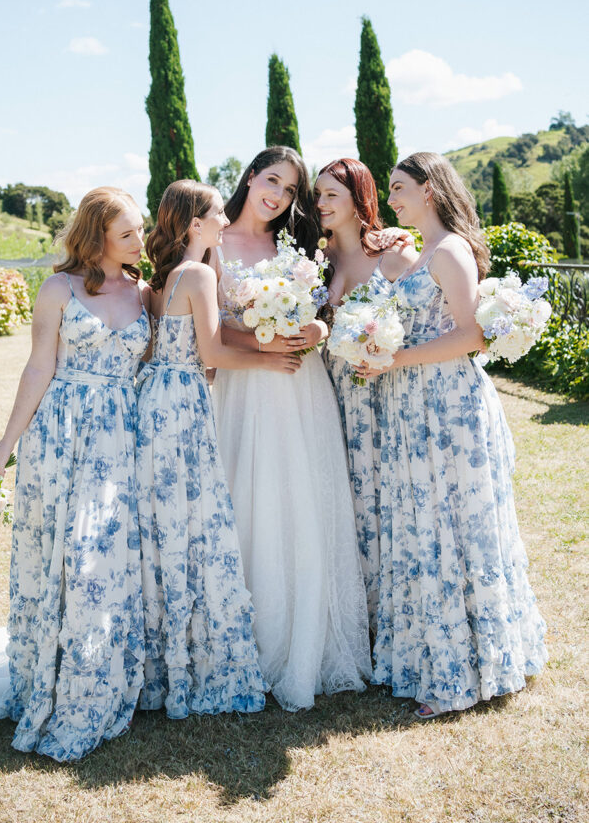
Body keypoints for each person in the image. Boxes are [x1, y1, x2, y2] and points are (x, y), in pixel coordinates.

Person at [0, 187, 152, 760]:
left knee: (97, 555)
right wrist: (5, 445)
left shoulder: (147, 293)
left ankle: (94, 678)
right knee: (54, 555)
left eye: (140, 229)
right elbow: (38, 366)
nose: (138, 240)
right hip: (60, 434)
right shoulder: (58, 288)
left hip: (121, 439)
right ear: (96, 234)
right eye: (126, 232)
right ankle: (48, 674)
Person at [359, 153, 547, 719]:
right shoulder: (424, 251)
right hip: (414, 403)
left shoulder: (452, 251)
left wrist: (394, 360)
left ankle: (464, 670)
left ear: (431, 189)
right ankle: (436, 657)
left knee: (455, 525)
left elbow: (472, 337)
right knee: (425, 526)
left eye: (399, 188)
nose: (391, 197)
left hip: (447, 404)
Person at [211, 146, 372, 712]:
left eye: (289, 189)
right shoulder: (213, 240)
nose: (277, 195)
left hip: (301, 387)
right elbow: (205, 329)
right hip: (244, 389)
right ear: (251, 176)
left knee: (303, 497)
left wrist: (315, 331)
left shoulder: (300, 246)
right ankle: (249, 640)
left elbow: (324, 311)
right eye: (271, 180)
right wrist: (260, 341)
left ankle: (310, 636)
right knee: (250, 499)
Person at [135, 180, 300, 719]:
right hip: (183, 400)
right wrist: (270, 361)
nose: (226, 222)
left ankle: (165, 651)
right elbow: (213, 351)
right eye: (215, 216)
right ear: (194, 224)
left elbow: (193, 339)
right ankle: (199, 653)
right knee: (197, 519)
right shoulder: (200, 274)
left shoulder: (160, 279)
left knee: (167, 522)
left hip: (154, 400)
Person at [315, 158, 418, 635]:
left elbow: (426, 317)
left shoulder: (393, 254)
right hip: (330, 393)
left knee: (388, 499)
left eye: (331, 194)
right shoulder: (316, 259)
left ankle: (395, 615)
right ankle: (358, 620)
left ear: (359, 199)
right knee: (346, 502)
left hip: (387, 396)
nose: (320, 203)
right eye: (317, 195)